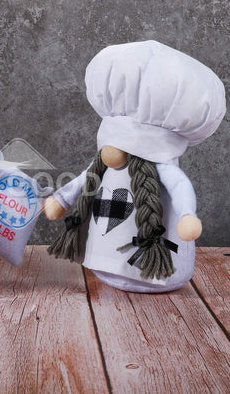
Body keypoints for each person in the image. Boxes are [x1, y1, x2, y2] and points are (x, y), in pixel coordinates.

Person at [44, 40, 226, 292]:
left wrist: (186, 216)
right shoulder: (103, 165)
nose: (112, 152)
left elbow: (179, 186)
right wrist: (61, 200)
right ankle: (108, 260)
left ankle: (145, 266)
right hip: (102, 263)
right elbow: (86, 179)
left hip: (161, 269)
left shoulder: (161, 169)